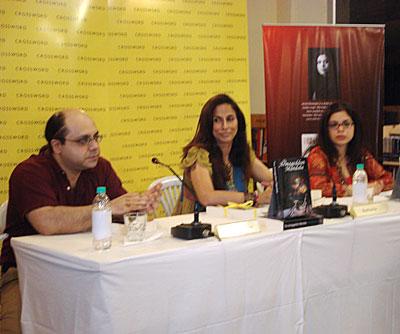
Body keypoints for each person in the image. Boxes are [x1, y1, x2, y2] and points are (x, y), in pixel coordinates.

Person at [0, 109, 162, 333]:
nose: (94, 146)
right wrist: (106, 209)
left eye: (96, 137)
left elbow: (122, 215)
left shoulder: (100, 168)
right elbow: (47, 222)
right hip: (28, 273)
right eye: (83, 140)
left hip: (91, 268)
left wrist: (140, 206)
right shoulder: (29, 172)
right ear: (57, 146)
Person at [174, 94, 273, 214]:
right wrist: (254, 198)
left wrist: (274, 187)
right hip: (198, 225)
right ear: (208, 125)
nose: (225, 126)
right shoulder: (198, 154)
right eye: (217, 120)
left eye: (230, 119)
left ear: (238, 122)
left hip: (235, 222)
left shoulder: (242, 152)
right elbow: (207, 197)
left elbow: (272, 178)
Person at [307, 101, 393, 197]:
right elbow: (317, 187)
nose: (340, 129)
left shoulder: (362, 154)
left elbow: (388, 179)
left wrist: (378, 185)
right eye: (334, 125)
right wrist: (349, 190)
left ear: (354, 127)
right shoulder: (317, 155)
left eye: (346, 124)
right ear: (326, 130)